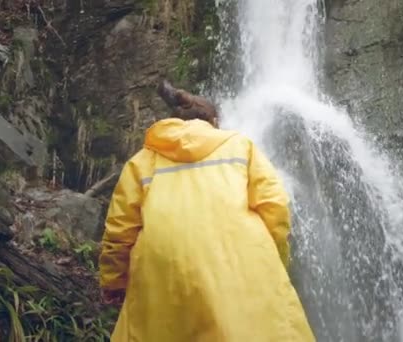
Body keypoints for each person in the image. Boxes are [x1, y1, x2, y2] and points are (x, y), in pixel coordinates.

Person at [98, 80, 315, 341]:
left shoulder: (143, 161)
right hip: (241, 262)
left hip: (164, 274)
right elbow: (275, 207)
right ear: (213, 120)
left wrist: (113, 281)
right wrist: (277, 259)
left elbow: (119, 231)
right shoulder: (241, 147)